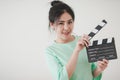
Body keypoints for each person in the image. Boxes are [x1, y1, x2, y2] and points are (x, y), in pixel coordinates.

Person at [45, 0, 109, 80]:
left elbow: (91, 74)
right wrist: (76, 51)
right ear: (52, 24)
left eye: (70, 22)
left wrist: (100, 69)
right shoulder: (50, 51)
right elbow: (62, 78)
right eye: (61, 23)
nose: (67, 27)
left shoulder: (83, 41)